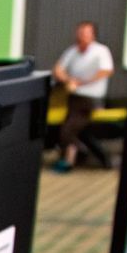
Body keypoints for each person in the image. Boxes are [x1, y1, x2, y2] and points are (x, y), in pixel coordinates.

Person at [51, 21, 114, 172]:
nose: (82, 36)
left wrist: (82, 82)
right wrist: (68, 79)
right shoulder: (72, 51)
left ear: (93, 35)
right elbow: (58, 68)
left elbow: (106, 71)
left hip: (90, 99)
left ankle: (71, 158)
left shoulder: (100, 51)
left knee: (68, 130)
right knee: (75, 130)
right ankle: (82, 155)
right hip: (73, 98)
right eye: (80, 33)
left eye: (85, 33)